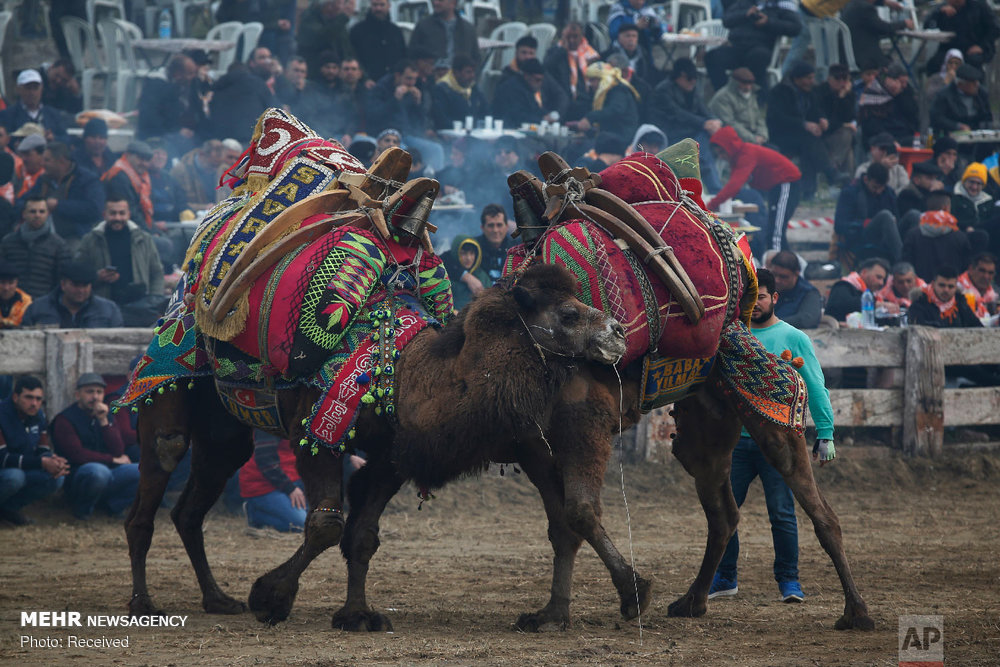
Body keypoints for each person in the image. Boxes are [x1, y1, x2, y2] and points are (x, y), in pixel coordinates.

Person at [708, 268, 835, 603]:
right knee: (724, 510)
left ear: (774, 298)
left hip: (779, 444)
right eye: (750, 298)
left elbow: (815, 387)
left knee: (782, 513)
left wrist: (826, 433)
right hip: (736, 443)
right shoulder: (734, 337)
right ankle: (725, 577)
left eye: (761, 296)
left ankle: (789, 581)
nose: (756, 303)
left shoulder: (794, 338)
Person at [52, 373, 139, 520]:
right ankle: (83, 508)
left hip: (108, 471)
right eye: (90, 392)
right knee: (98, 471)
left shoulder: (105, 415)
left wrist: (104, 421)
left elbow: (118, 450)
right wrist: (111, 459)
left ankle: (114, 506)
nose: (95, 397)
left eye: (99, 392)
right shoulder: (65, 419)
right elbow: (77, 454)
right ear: (78, 395)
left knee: (144, 470)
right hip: (78, 474)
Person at [708, 126, 801, 257]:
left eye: (722, 152)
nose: (722, 157)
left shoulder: (747, 153)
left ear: (730, 147)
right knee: (774, 229)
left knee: (775, 232)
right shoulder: (738, 158)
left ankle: (776, 264)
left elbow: (733, 186)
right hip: (776, 187)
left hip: (786, 183)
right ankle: (786, 262)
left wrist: (710, 205)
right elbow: (733, 187)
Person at [767, 61, 845, 201]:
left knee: (808, 147)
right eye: (808, 78)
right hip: (782, 135)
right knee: (809, 141)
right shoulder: (779, 92)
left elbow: (815, 110)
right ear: (798, 79)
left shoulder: (809, 92)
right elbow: (778, 118)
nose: (812, 81)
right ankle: (830, 173)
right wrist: (803, 125)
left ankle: (809, 191)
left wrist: (821, 119)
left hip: (802, 137)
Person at [74, 196, 165, 309]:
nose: (117, 217)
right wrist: (97, 276)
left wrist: (155, 299)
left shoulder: (144, 239)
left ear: (128, 214)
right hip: (102, 305)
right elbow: (78, 274)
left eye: (122, 213)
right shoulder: (90, 240)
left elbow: (157, 272)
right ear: (104, 214)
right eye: (113, 213)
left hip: (140, 306)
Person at [0, 376, 68, 525]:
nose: (34, 403)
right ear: (15, 397)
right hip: (6, 471)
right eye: (29, 398)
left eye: (38, 399)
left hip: (23, 468)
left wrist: (52, 461)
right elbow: (2, 458)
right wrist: (42, 462)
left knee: (56, 478)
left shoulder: (38, 415)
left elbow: (42, 448)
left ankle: (8, 511)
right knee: (14, 477)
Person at [650, 58, 721, 191]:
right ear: (680, 76)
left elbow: (702, 109)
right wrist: (703, 123)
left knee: (704, 139)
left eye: (695, 78)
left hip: (691, 133)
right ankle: (715, 189)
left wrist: (712, 121)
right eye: (689, 78)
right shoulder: (663, 91)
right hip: (671, 133)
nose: (693, 82)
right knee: (702, 147)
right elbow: (677, 114)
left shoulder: (692, 89)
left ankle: (714, 187)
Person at [706, 0, 802, 98]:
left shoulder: (782, 5)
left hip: (762, 47)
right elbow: (726, 20)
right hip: (738, 47)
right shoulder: (744, 3)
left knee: (757, 58)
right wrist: (745, 14)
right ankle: (726, 97)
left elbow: (795, 28)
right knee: (712, 57)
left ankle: (759, 100)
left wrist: (768, 22)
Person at [22, 141, 105, 242]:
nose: (42, 164)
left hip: (76, 237)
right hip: (43, 238)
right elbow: (23, 200)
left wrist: (59, 205)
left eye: (47, 160)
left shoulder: (87, 180)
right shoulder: (43, 180)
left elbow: (95, 209)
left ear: (61, 162)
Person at [0, 196, 71, 298]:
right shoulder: (8, 242)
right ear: (24, 214)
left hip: (44, 303)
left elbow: (62, 279)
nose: (37, 215)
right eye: (33, 211)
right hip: (13, 303)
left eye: (42, 211)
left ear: (48, 214)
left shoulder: (59, 245)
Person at [136, 54, 206, 154]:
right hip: (155, 137)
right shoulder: (155, 86)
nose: (193, 77)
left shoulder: (187, 85)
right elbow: (151, 116)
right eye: (190, 73)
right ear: (177, 73)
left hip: (176, 134)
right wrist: (177, 131)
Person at [834, 164, 903, 265]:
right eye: (875, 187)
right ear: (866, 179)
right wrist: (863, 223)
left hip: (888, 236)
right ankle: (902, 262)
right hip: (861, 236)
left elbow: (897, 217)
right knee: (885, 215)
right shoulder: (850, 192)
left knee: (913, 215)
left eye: (882, 188)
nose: (879, 191)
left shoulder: (888, 192)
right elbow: (839, 225)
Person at [239, 431, 308, 532]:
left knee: (317, 519)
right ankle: (254, 513)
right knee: (301, 524)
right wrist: (290, 488)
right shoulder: (270, 423)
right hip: (263, 484)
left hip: (293, 478)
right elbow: (265, 460)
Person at [21, 261, 123, 328]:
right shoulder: (37, 308)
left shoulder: (109, 309)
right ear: (63, 284)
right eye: (76, 285)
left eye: (85, 285)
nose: (81, 290)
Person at [903, 191, 972, 282]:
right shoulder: (960, 237)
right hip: (950, 291)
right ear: (946, 208)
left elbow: (906, 265)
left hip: (919, 291)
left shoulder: (912, 235)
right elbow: (966, 269)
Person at [573, 62, 642, 155]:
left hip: (620, 140)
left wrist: (590, 118)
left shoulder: (618, 91)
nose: (590, 84)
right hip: (611, 137)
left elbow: (615, 111)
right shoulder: (609, 93)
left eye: (593, 80)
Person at [208, 62, 277, 144]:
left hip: (223, 139)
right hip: (250, 138)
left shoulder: (218, 87)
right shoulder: (258, 84)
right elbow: (273, 109)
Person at [924, 0, 1000, 72]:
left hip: (975, 46)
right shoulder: (943, 7)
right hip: (950, 47)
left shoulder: (979, 6)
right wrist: (939, 13)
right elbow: (927, 25)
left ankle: (974, 84)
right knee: (934, 64)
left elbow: (995, 28)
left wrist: (982, 46)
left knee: (972, 63)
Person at [857, 63, 920, 147]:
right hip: (881, 136)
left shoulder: (905, 92)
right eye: (901, 82)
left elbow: (912, 115)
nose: (903, 86)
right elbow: (871, 124)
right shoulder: (873, 93)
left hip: (903, 134)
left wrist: (900, 94)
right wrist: (889, 139)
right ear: (889, 80)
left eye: (905, 83)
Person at [492, 58, 564, 129]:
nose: (540, 84)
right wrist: (543, 119)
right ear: (526, 76)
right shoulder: (512, 89)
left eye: (542, 80)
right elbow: (518, 116)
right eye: (537, 80)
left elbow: (535, 109)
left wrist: (547, 115)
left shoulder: (527, 88)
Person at [841, 0, 913, 70]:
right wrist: (904, 23)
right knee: (896, 70)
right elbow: (883, 28)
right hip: (866, 58)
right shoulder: (866, 8)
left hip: (851, 55)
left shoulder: (850, 4)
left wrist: (885, 2)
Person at [0, 69, 67, 141]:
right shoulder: (7, 115)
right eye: (28, 88)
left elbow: (67, 139)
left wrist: (53, 138)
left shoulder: (53, 114)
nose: (32, 92)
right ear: (18, 89)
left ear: (41, 89)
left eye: (35, 88)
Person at [349, 0, 406, 83]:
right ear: (370, 6)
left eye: (382, 5)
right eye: (375, 5)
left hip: (392, 83)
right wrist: (364, 78)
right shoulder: (357, 31)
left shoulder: (396, 31)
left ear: (388, 6)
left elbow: (403, 57)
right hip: (367, 83)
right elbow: (353, 56)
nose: (378, 8)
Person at [815, 64, 857, 175]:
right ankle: (832, 169)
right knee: (847, 134)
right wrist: (842, 125)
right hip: (825, 134)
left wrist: (843, 97)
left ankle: (845, 178)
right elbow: (826, 121)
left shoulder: (849, 94)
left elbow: (850, 117)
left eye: (845, 79)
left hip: (840, 135)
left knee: (849, 149)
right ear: (829, 78)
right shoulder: (820, 92)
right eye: (837, 79)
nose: (842, 83)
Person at [409, 0, 478, 67]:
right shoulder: (423, 27)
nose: (436, 3)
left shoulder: (467, 30)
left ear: (453, 2)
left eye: (440, 0)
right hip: (432, 77)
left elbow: (475, 58)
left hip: (459, 77)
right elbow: (412, 56)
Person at [543, 22, 600, 104]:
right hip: (565, 99)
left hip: (587, 98)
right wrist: (562, 51)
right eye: (568, 37)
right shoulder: (554, 51)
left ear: (581, 36)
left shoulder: (591, 53)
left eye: (575, 36)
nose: (571, 40)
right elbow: (546, 67)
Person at [930, 63, 993, 137]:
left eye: (977, 82)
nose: (977, 85)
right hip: (953, 134)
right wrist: (958, 126)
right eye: (973, 83)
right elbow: (937, 118)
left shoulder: (981, 94)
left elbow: (987, 117)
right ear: (960, 84)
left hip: (977, 134)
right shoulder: (944, 96)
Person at [708, 68, 768, 146]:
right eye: (745, 83)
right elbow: (729, 123)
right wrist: (752, 139)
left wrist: (762, 135)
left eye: (750, 84)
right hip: (734, 140)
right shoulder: (722, 98)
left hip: (754, 138)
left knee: (774, 150)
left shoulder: (751, 94)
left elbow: (759, 118)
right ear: (735, 82)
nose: (748, 87)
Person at [299, 0, 354, 80]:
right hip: (315, 74)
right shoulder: (309, 19)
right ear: (328, 5)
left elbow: (347, 50)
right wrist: (343, 18)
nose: (342, 7)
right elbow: (323, 37)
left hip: (336, 75)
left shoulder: (338, 22)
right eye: (339, 3)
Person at [766, 250, 821, 329]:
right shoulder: (766, 288)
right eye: (774, 274)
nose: (777, 280)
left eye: (783, 277)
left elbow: (807, 320)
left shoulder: (809, 293)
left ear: (796, 273)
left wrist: (772, 324)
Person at [825, 257, 890, 321]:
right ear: (864, 272)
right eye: (878, 277)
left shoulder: (872, 295)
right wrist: (876, 305)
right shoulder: (842, 286)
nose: (881, 283)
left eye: (883, 279)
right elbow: (845, 304)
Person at [432, 55, 488, 130]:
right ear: (456, 72)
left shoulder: (473, 88)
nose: (472, 75)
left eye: (473, 72)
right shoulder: (442, 89)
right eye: (468, 72)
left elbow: (486, 111)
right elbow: (441, 120)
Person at [441, 235, 491, 309]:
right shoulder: (445, 275)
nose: (468, 258)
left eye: (472, 253)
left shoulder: (483, 276)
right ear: (456, 253)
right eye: (463, 253)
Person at [602, 22, 659, 87]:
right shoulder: (607, 56)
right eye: (627, 36)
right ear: (619, 37)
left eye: (634, 36)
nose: (631, 39)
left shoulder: (644, 56)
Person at [472, 204, 514, 287]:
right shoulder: (473, 245)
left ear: (507, 227)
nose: (495, 230)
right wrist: (465, 276)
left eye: (499, 225)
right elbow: (447, 258)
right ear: (482, 228)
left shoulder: (516, 248)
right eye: (491, 225)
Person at [171, 140, 222, 206]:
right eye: (212, 165)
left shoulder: (222, 169)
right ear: (201, 154)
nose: (215, 169)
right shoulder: (180, 171)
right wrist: (204, 207)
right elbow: (178, 204)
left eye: (218, 165)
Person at [951, 162, 995, 233]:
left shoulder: (988, 201)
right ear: (964, 181)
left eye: (978, 184)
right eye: (971, 182)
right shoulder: (954, 197)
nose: (974, 187)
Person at [958, 252, 998, 317]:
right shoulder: (956, 290)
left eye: (990, 273)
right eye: (982, 271)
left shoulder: (996, 293)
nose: (986, 276)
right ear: (971, 269)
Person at [14, 134, 46, 200]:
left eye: (28, 154)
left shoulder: (48, 175)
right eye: (22, 155)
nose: (23, 159)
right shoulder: (18, 171)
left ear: (42, 155)